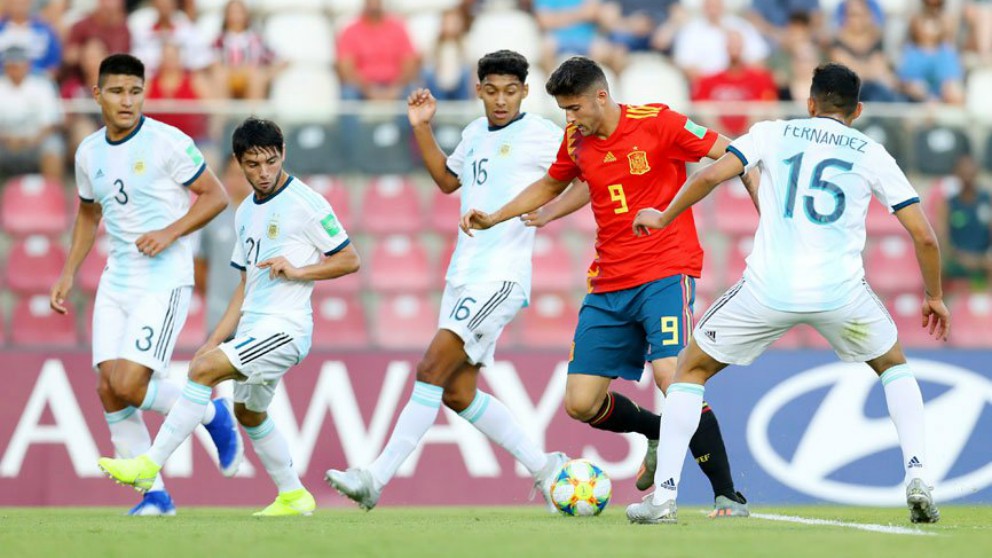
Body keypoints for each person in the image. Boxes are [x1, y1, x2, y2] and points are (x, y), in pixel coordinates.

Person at [626, 63, 947, 525]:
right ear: (857, 110)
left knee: (689, 369)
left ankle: (664, 498)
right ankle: (917, 476)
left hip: (767, 291)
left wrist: (663, 214)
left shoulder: (774, 132)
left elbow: (711, 175)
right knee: (893, 366)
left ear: (810, 103)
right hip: (840, 295)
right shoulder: (872, 152)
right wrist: (933, 295)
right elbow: (925, 237)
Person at [461, 56, 752, 517]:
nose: (569, 119)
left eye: (574, 108)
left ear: (601, 95)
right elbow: (553, 183)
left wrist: (761, 206)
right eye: (563, 111)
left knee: (671, 378)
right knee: (581, 402)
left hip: (664, 269)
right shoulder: (577, 139)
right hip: (608, 282)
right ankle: (658, 431)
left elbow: (733, 154)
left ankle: (727, 494)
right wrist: (497, 215)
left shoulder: (658, 121)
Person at [326, 49, 569, 512]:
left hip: (500, 276)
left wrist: (550, 211)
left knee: (430, 369)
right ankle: (547, 469)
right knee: (458, 392)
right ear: (478, 90)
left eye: (511, 91)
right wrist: (421, 128)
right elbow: (446, 180)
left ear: (525, 91)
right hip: (464, 273)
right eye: (492, 91)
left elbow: (582, 175)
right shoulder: (476, 132)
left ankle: (375, 477)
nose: (501, 100)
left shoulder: (541, 134)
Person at [96, 117, 361, 517]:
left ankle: (147, 466)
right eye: (253, 164)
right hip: (254, 326)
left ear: (283, 153)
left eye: (271, 161)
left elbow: (350, 258)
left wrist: (300, 270)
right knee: (248, 412)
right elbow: (245, 286)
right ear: (239, 162)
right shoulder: (243, 213)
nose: (264, 172)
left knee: (202, 373)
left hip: (285, 329)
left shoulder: (306, 203)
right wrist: (214, 339)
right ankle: (293, 496)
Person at [49, 53, 235, 516]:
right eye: (116, 91)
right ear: (97, 95)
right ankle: (155, 497)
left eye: (135, 91)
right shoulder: (88, 152)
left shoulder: (168, 142)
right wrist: (69, 271)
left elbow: (217, 195)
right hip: (118, 280)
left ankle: (211, 412)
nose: (127, 100)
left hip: (164, 278)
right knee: (108, 388)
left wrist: (171, 232)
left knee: (131, 384)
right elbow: (88, 214)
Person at [195, 154, 254, 334]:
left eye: (245, 174)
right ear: (225, 177)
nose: (241, 180)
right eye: (235, 174)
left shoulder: (268, 218)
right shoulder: (213, 216)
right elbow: (199, 264)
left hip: (257, 319)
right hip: (219, 317)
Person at [0, 45, 65, 181]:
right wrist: (7, 139)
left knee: (52, 146)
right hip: (4, 143)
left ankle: (53, 196)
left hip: (36, 141)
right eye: (10, 65)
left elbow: (51, 122)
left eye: (18, 65)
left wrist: (34, 139)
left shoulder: (42, 85)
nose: (14, 69)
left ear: (27, 65)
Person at [934, 154, 992, 291]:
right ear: (957, 175)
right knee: (939, 270)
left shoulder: (987, 200)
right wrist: (959, 257)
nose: (968, 178)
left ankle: (987, 308)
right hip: (957, 257)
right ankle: (942, 306)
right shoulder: (947, 204)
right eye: (964, 174)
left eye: (971, 174)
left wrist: (982, 257)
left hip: (982, 257)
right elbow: (943, 238)